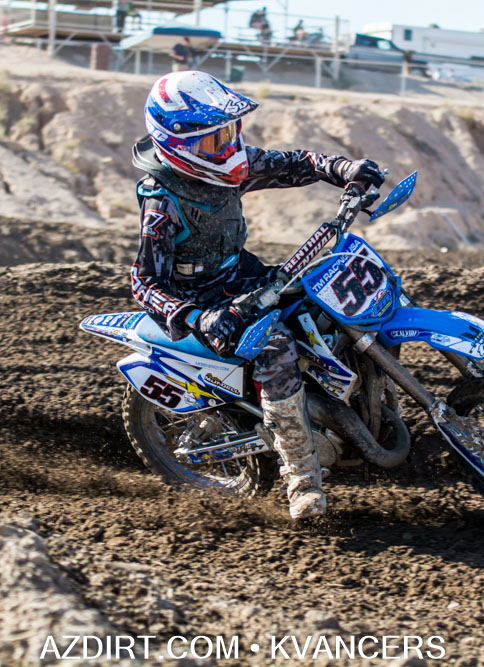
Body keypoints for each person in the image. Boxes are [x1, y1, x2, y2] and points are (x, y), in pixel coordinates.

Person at [130, 71, 385, 519]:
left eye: (229, 133)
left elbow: (293, 163)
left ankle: (357, 411)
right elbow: (143, 282)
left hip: (240, 276)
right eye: (214, 141)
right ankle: (302, 477)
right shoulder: (163, 201)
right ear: (177, 142)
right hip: (205, 306)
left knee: (323, 298)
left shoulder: (229, 167)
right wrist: (196, 318)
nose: (228, 147)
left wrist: (342, 169)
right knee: (275, 346)